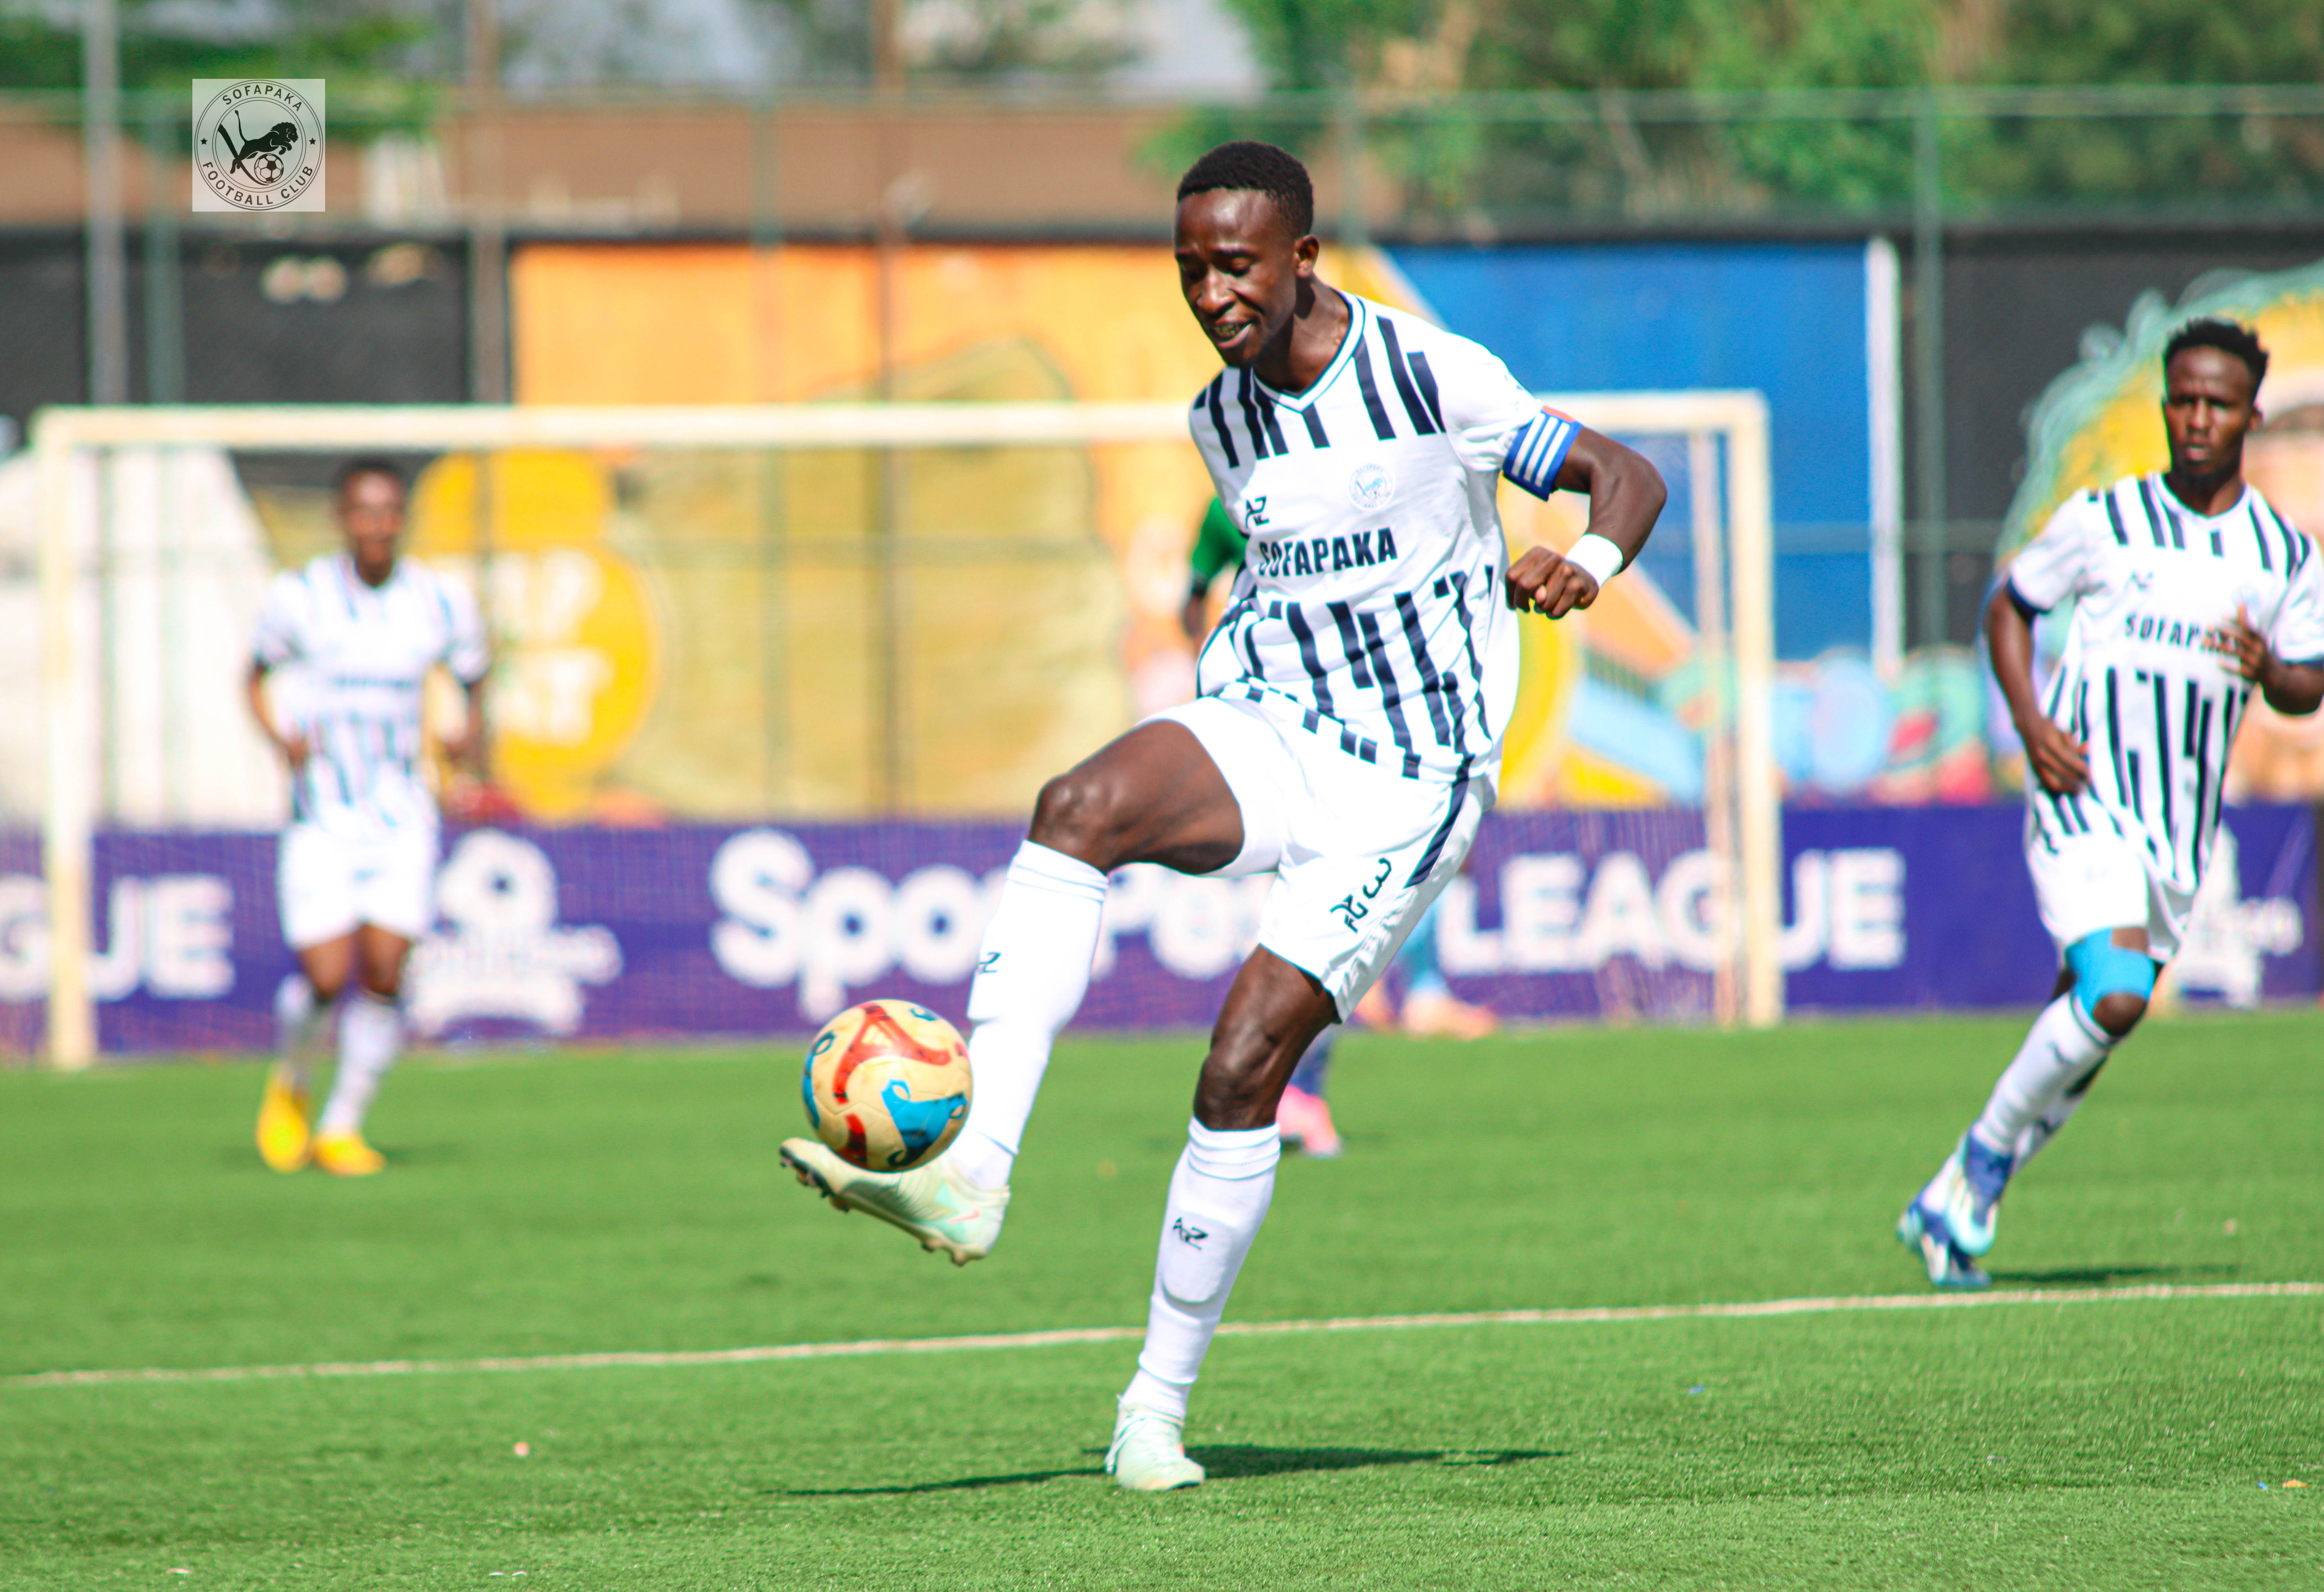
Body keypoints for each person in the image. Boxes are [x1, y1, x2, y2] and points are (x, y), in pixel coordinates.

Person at [779, 140, 1664, 1489]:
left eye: (1234, 264)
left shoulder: (1432, 374)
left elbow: (1624, 475)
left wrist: (1585, 558)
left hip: (1409, 782)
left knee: (1241, 1063)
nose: (1209, 292)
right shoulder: (1222, 421)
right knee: (1073, 805)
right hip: (1270, 726)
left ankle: (1152, 1411)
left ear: (1301, 258)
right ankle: (977, 1169)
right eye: (1189, 267)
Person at [1898, 318, 2324, 1289]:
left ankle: (1955, 1199)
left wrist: (2277, 672)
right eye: (2182, 399)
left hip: (2177, 830)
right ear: (2165, 405)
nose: (2197, 418)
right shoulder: (2106, 519)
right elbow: (2011, 604)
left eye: (2217, 402)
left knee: (2099, 1014)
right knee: (2117, 990)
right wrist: (2029, 720)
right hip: (2083, 792)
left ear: (2250, 414)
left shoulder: (2284, 556)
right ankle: (1977, 1162)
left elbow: (2308, 682)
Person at [247, 459, 490, 1176]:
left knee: (385, 969)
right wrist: (281, 740)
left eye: (389, 512)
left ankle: (342, 1125)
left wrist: (465, 739)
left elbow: (475, 678)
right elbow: (253, 676)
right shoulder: (301, 598)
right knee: (325, 978)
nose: (377, 525)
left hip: (401, 812)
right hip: (322, 812)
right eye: (364, 511)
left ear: (401, 520)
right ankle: (292, 1081)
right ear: (342, 518)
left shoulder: (438, 601)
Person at [1184, 496, 1345, 1156]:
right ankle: (1284, 1095)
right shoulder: (1227, 506)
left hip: (1350, 737)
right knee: (1299, 935)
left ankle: (1296, 1094)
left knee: (1326, 937)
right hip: (1266, 733)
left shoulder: (1342, 483)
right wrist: (1209, 665)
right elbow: (1192, 594)